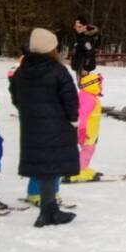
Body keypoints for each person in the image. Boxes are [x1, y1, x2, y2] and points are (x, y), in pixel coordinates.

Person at [10, 28, 78, 228]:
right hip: (56, 125)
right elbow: (70, 98)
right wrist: (73, 119)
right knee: (51, 165)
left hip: (32, 126)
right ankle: (49, 211)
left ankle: (49, 209)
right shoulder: (57, 70)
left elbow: (15, 95)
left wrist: (28, 112)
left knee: (44, 165)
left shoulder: (23, 70)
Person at [67, 73, 104, 183]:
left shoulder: (87, 96)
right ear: (92, 85)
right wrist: (82, 131)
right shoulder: (88, 99)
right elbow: (82, 115)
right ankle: (78, 171)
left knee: (87, 150)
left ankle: (82, 167)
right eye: (99, 84)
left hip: (90, 130)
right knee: (88, 150)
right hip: (86, 131)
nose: (101, 86)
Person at [70, 16, 100, 82]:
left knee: (84, 87)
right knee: (81, 87)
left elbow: (90, 53)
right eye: (76, 26)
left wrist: (86, 68)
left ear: (85, 27)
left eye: (79, 26)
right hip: (78, 66)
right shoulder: (79, 37)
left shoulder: (86, 39)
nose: (77, 28)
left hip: (83, 68)